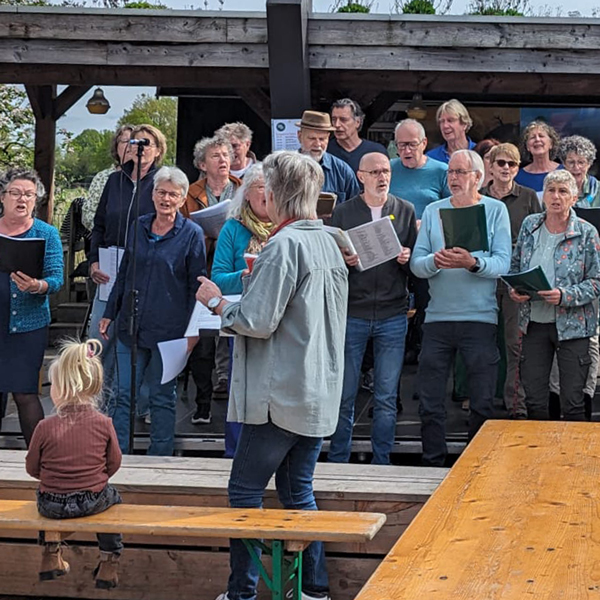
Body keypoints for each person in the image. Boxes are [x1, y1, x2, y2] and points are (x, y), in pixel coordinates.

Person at [195, 151, 348, 600]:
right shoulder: (327, 239)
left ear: (279, 194)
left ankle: (241, 594)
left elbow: (258, 322)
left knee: (244, 491)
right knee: (298, 492)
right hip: (316, 391)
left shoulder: (283, 244)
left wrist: (216, 301)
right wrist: (252, 280)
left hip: (278, 395)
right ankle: (313, 591)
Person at [410, 150, 511, 466]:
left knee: (481, 401)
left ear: (478, 177)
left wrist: (473, 262)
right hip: (438, 319)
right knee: (429, 401)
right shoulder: (433, 210)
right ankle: (432, 462)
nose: (453, 178)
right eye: (451, 172)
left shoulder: (494, 211)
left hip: (479, 319)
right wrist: (434, 261)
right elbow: (416, 264)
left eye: (460, 172)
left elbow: (503, 263)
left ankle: (475, 465)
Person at [99, 167, 206, 456]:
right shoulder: (138, 226)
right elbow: (124, 273)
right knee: (121, 395)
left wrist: (192, 331)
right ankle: (118, 456)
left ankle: (161, 457)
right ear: (153, 194)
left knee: (162, 397)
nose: (166, 198)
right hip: (131, 325)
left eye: (173, 194)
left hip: (170, 330)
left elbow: (197, 286)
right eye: (161, 192)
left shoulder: (192, 234)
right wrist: (110, 312)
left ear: (183, 199)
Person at [328, 153, 417, 465]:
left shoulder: (404, 210)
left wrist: (408, 258)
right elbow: (329, 265)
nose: (382, 177)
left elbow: (415, 267)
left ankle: (382, 461)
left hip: (393, 313)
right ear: (360, 175)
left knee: (386, 396)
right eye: (375, 172)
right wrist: (344, 261)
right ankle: (338, 460)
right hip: (353, 312)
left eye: (386, 171)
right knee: (345, 395)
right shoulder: (343, 212)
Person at [25, 339, 123, 589]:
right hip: (93, 499)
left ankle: (51, 553)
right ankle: (109, 559)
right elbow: (114, 463)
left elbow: (32, 468)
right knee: (115, 505)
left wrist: (54, 479)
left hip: (52, 503)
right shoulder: (104, 423)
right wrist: (95, 479)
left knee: (42, 498)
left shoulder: (44, 427)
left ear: (62, 389)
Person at [509, 170, 600, 421]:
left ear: (574, 198)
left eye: (563, 191)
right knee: (536, 401)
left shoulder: (587, 232)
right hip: (534, 324)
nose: (556, 196)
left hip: (573, 327)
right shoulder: (531, 225)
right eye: (551, 190)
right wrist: (515, 289)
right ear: (544, 195)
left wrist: (565, 295)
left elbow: (597, 281)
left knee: (573, 402)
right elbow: (516, 267)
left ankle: (575, 459)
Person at [88, 123, 167, 407]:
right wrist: (93, 261)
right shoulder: (114, 181)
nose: (140, 147)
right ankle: (94, 403)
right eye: (135, 142)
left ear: (158, 150)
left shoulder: (162, 182)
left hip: (145, 271)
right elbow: (98, 226)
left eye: (147, 143)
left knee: (139, 340)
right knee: (99, 337)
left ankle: (136, 407)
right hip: (109, 267)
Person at [207, 164, 276, 452]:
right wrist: (245, 275)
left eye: (271, 187)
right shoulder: (233, 229)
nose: (267, 193)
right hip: (244, 322)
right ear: (246, 194)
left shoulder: (286, 227)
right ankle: (236, 453)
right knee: (242, 393)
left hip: (279, 322)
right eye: (261, 186)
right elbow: (218, 279)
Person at [0, 168, 63, 446]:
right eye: (15, 193)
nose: (21, 199)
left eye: (28, 194)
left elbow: (57, 278)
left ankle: (39, 461)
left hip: (27, 325)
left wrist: (38, 286)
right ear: (3, 197)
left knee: (25, 393)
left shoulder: (46, 233)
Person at [481, 143, 541, 419]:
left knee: (515, 344)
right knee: (481, 343)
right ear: (490, 166)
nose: (506, 168)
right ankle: (479, 401)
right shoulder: (477, 197)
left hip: (515, 281)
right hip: (481, 278)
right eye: (501, 163)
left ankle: (516, 405)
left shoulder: (529, 197)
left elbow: (538, 240)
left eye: (512, 164)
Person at [181, 135, 241, 410]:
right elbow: (181, 231)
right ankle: (203, 402)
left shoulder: (243, 189)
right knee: (203, 340)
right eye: (216, 156)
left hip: (236, 272)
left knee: (236, 334)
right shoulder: (190, 193)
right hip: (202, 271)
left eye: (226, 155)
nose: (223, 160)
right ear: (201, 164)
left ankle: (234, 395)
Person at [296, 110, 360, 203]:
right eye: (312, 138)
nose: (317, 144)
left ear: (328, 138)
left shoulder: (343, 171)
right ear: (299, 136)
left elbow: (355, 207)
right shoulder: (284, 169)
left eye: (322, 139)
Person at [81, 124, 134, 232]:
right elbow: (88, 214)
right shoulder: (102, 177)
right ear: (116, 146)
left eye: (134, 142)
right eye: (126, 141)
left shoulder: (148, 178)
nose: (130, 146)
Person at [327, 98, 387, 174]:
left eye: (343, 120)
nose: (337, 125)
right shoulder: (325, 150)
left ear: (357, 122)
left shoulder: (376, 151)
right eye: (334, 119)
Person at [515, 120, 563, 196]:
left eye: (541, 136)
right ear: (527, 147)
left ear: (551, 144)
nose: (537, 139)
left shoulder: (564, 172)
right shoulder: (518, 176)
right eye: (532, 137)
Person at [426, 99, 476, 164]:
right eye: (442, 121)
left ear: (464, 124)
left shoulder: (479, 152)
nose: (445, 126)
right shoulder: (431, 158)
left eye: (450, 120)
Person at [558, 134, 600, 207]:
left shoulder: (598, 189)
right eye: (571, 162)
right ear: (564, 163)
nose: (576, 167)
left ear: (589, 164)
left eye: (581, 162)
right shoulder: (554, 189)